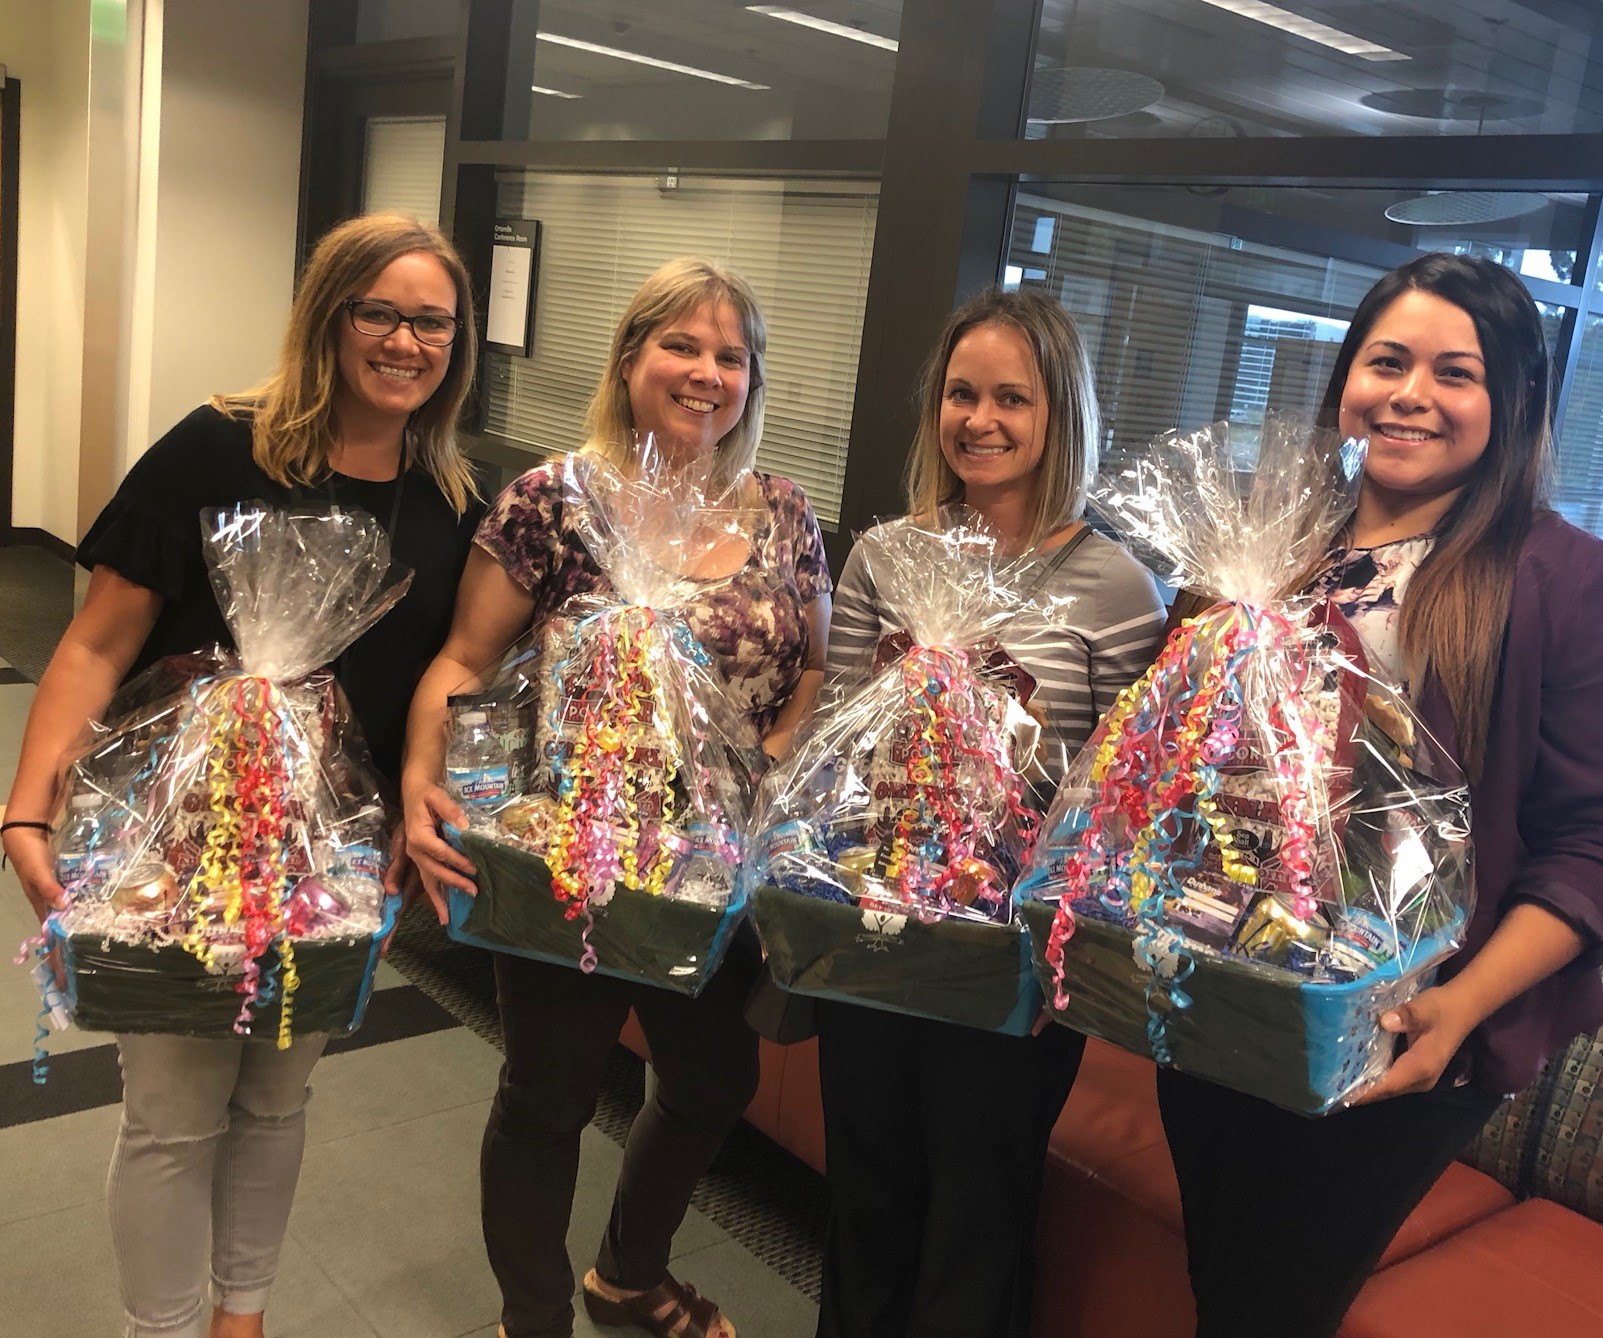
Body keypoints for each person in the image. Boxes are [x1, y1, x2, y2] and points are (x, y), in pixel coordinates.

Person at [1, 213, 484, 1338]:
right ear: (328, 315)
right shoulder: (220, 448)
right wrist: (27, 808)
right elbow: (95, 642)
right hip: (177, 849)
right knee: (173, 1114)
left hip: (330, 863)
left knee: (275, 1098)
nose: (406, 343)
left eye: (433, 322)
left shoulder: (449, 496)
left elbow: (443, 679)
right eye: (381, 312)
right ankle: (162, 1327)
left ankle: (242, 1317)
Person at [1156, 252, 1603, 1338]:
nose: (1410, 394)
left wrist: (1459, 1007)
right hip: (1217, 977)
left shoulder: (1561, 578)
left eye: (1456, 372)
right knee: (1218, 1276)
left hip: (1399, 1026)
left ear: (1514, 402)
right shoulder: (1260, 549)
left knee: (1271, 1307)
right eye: (1386, 361)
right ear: (1344, 378)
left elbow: (1588, 843)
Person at [402, 256, 832, 1338]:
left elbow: (820, 670)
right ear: (629, 358)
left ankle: (626, 1275)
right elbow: (464, 659)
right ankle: (533, 1317)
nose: (705, 373)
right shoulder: (555, 500)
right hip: (566, 854)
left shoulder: (782, 513)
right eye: (680, 346)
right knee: (547, 1094)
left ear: (753, 378)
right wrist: (425, 783)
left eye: (731, 355)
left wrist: (767, 759)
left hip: (717, 866)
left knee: (712, 1076)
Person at [815, 288, 1166, 1338]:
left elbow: (1124, 802)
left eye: (1012, 397)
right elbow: (837, 742)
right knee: (866, 1187)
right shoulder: (886, 555)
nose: (981, 419)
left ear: (1061, 414)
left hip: (1015, 950)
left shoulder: (1114, 586)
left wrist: (1078, 953)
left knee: (979, 1203)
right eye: (961, 394)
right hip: (869, 923)